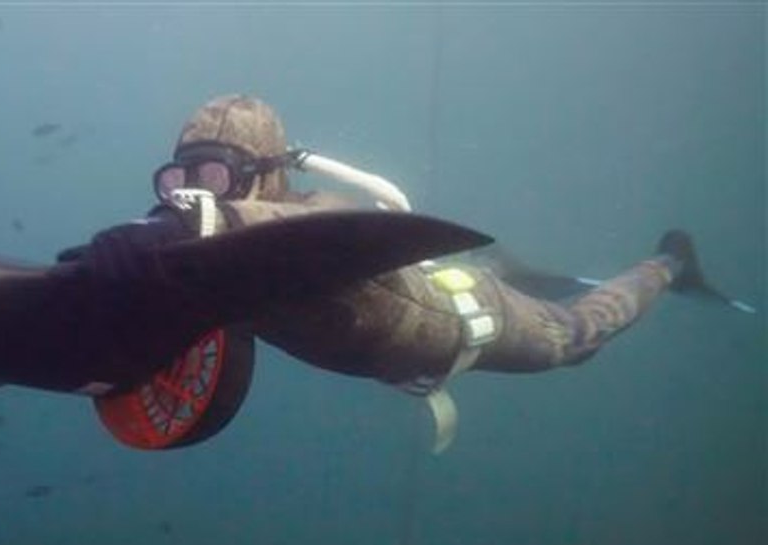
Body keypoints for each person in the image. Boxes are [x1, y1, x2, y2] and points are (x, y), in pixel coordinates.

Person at [87, 94, 750, 451]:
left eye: (214, 176)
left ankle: (668, 264)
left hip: (473, 323)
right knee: (498, 272)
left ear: (267, 174)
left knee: (575, 337)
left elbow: (305, 231)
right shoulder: (220, 263)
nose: (193, 194)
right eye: (181, 178)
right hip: (426, 295)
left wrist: (176, 229)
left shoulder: (314, 224)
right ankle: (514, 267)